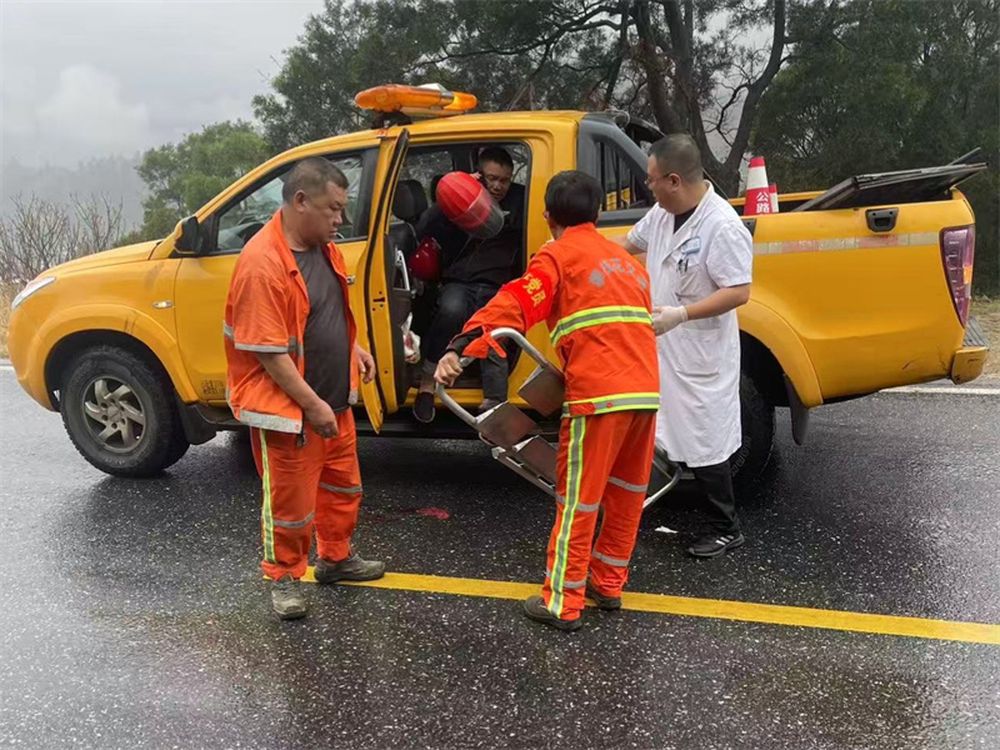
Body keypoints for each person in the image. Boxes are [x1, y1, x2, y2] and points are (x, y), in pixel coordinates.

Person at [435, 170, 659, 632]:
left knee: (578, 498)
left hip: (598, 395)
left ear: (546, 215)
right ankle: (609, 583)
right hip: (645, 391)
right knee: (627, 494)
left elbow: (513, 304)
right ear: (597, 212)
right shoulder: (627, 262)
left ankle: (562, 600)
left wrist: (462, 345)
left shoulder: (557, 256)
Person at [224, 157, 385, 620]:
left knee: (342, 488)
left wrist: (354, 351)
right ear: (300, 201)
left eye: (341, 210)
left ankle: (335, 558)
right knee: (291, 506)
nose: (340, 220)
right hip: (293, 411)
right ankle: (285, 576)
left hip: (333, 402)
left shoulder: (323, 247)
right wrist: (314, 406)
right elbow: (271, 354)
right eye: (333, 209)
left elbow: (325, 314)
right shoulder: (262, 264)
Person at [619, 134, 753, 558]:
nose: (648, 184)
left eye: (652, 178)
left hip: (698, 348)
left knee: (703, 438)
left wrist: (682, 315)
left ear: (674, 180)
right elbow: (628, 245)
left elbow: (739, 291)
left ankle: (726, 527)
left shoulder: (722, 226)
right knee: (658, 429)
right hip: (660, 345)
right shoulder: (661, 214)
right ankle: (643, 504)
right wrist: (574, 251)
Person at [412, 146, 526, 422]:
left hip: (499, 286)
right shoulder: (462, 199)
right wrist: (457, 195)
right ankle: (427, 384)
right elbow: (424, 228)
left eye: (504, 179)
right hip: (460, 281)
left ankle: (494, 405)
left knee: (496, 330)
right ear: (480, 175)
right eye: (491, 178)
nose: (498, 186)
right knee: (451, 310)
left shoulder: (522, 199)